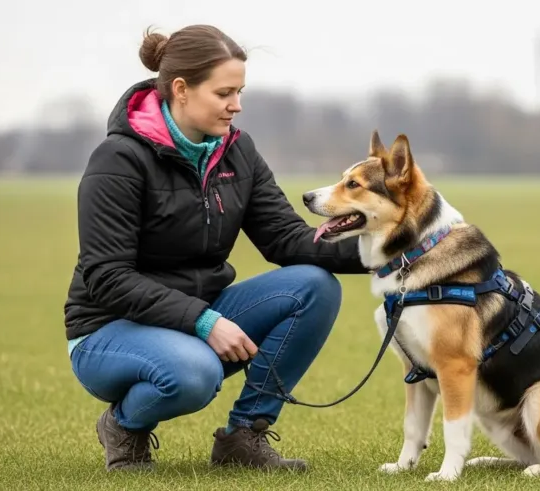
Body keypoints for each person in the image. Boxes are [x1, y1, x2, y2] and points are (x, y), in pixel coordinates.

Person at [63, 24, 368, 472]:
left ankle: (243, 437)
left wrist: (392, 252)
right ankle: (123, 426)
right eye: (224, 92)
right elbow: (108, 277)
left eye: (240, 91)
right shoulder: (118, 161)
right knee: (195, 374)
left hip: (199, 319)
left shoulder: (237, 152)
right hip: (108, 330)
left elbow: (287, 238)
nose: (236, 105)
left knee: (315, 287)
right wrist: (204, 322)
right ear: (182, 89)